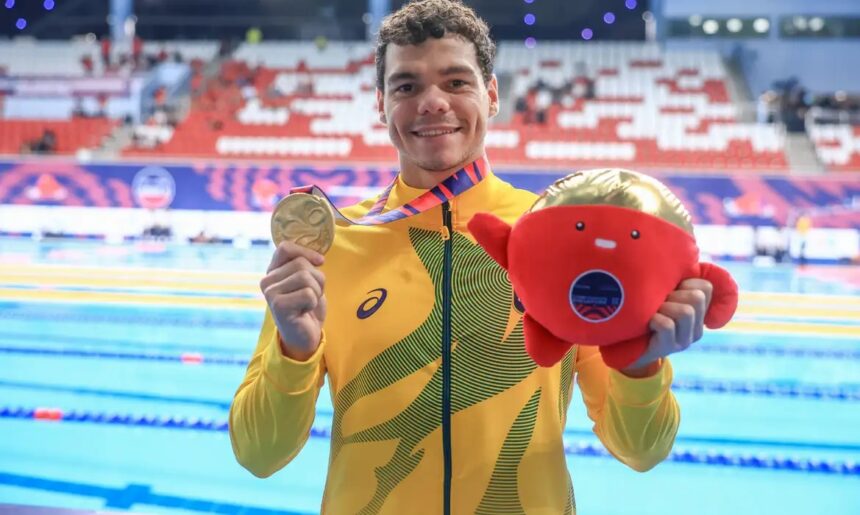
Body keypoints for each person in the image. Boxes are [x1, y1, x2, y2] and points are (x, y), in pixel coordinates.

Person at [230, 1, 713, 513]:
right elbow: (259, 455)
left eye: (456, 82)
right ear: (382, 104)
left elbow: (641, 451)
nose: (432, 102)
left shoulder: (560, 243)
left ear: (492, 94)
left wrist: (642, 364)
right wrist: (294, 351)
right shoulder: (330, 246)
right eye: (407, 86)